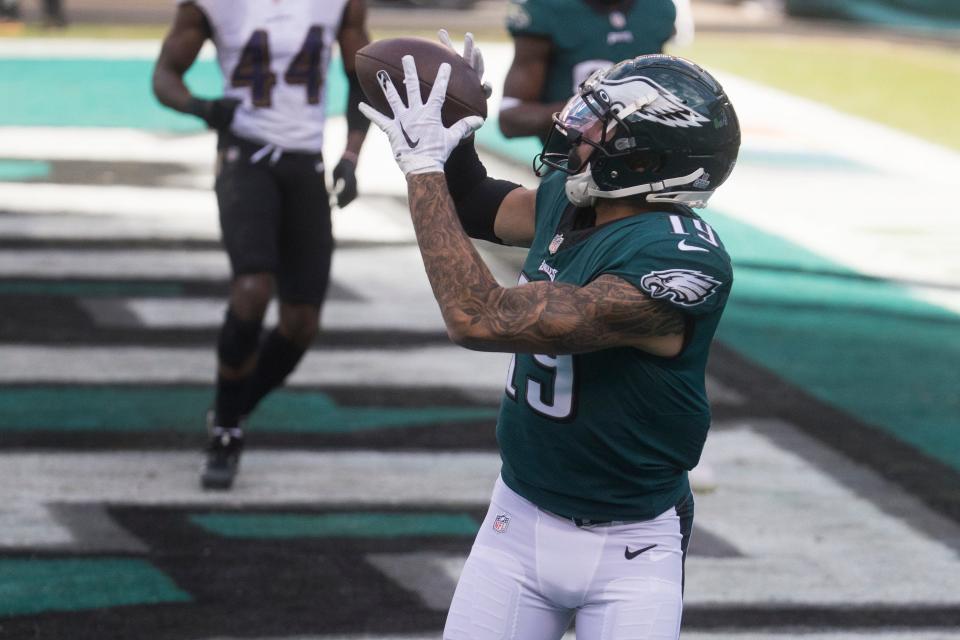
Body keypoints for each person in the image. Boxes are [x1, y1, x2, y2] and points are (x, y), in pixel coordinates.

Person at [360, 40, 740, 638]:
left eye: (602, 127)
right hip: (518, 519)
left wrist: (422, 168)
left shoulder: (678, 263)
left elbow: (478, 317)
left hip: (632, 547)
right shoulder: (574, 202)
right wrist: (452, 139)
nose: (577, 127)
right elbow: (477, 206)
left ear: (645, 163)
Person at [153, 0, 370, 490]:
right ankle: (227, 432)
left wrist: (353, 154)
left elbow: (363, 77)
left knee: (301, 322)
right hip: (244, 153)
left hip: (304, 163)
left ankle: (230, 407)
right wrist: (203, 108)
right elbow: (165, 74)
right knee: (251, 288)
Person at [500, 0, 694, 141]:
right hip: (572, 166)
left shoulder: (657, 8)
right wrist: (594, 109)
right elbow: (510, 119)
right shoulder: (545, 9)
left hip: (645, 162)